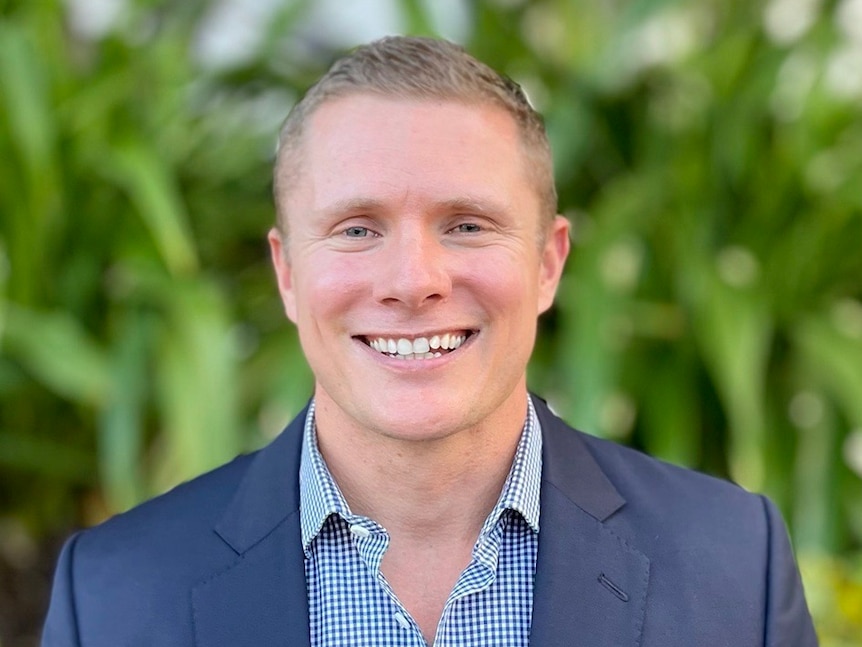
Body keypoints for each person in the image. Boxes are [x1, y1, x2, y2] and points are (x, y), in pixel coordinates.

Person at [42, 36, 817, 646]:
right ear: (286, 272)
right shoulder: (113, 595)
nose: (414, 280)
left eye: (467, 225)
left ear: (548, 263)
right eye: (356, 228)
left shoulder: (731, 566)